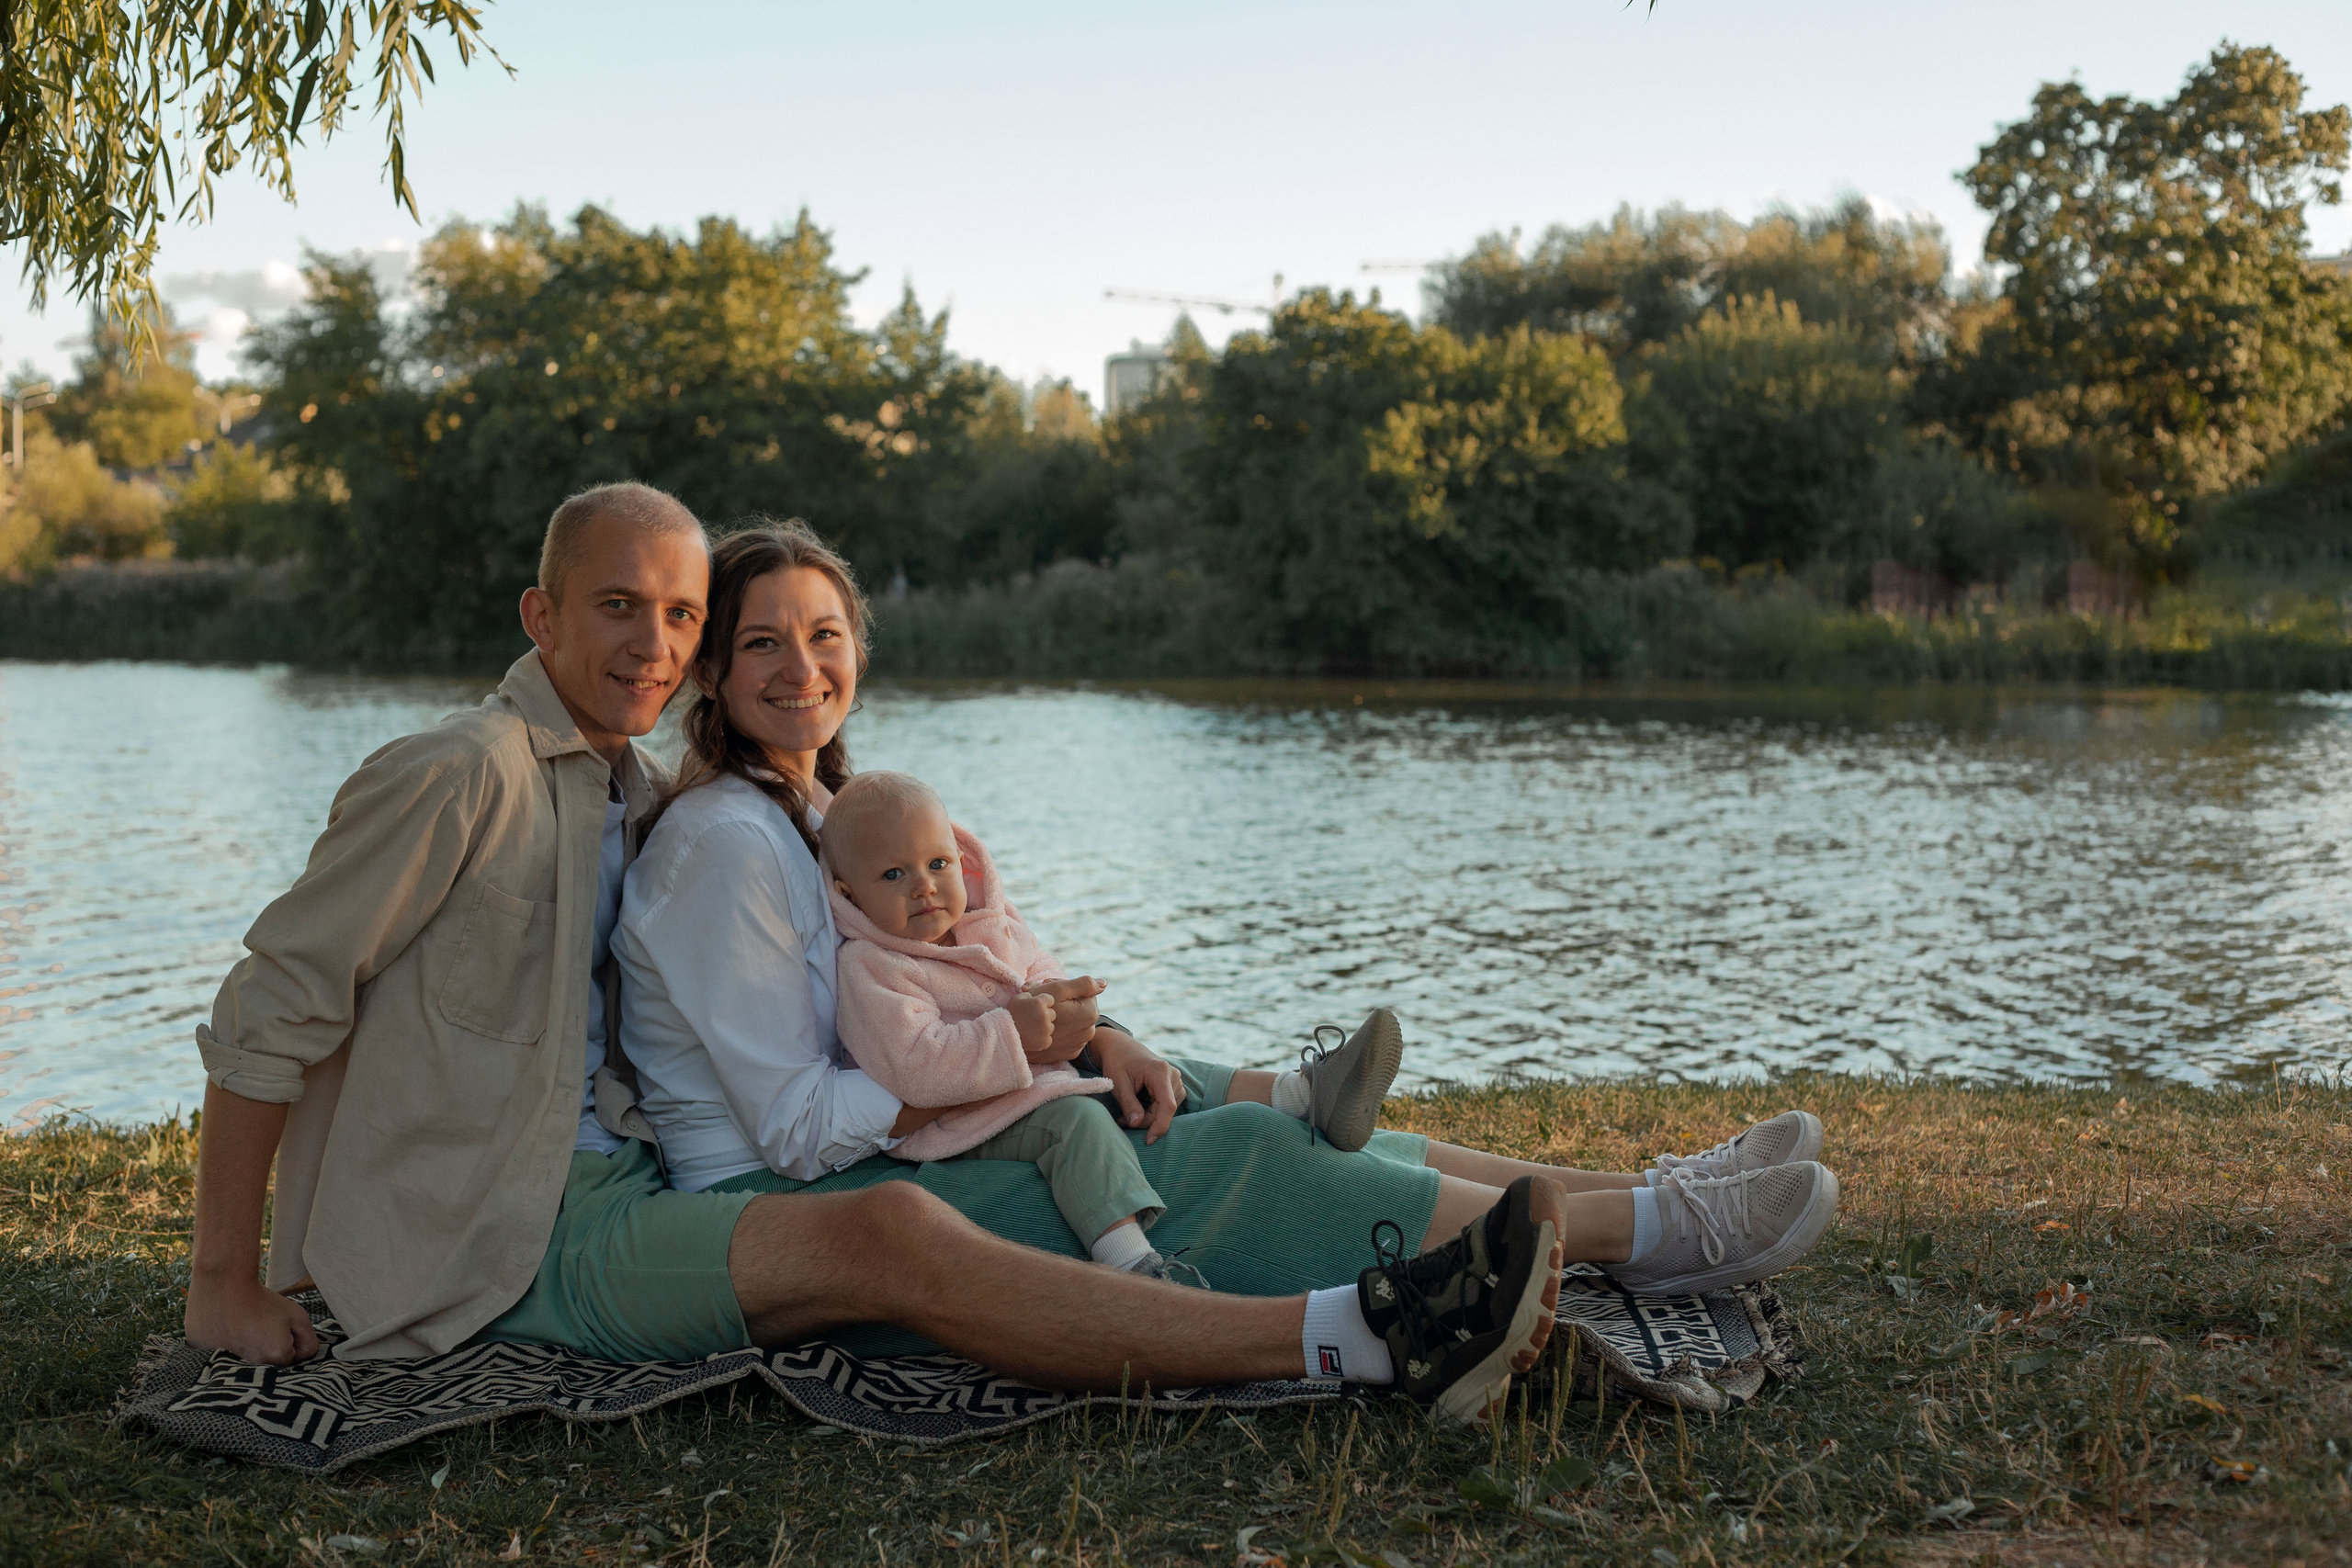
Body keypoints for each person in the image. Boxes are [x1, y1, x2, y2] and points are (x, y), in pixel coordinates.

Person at [179, 481, 1566, 1426]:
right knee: (894, 1229)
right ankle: (1366, 1335)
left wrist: (1079, 1035)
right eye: (618, 608)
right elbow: (270, 1011)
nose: (652, 644)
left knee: (1137, 1102)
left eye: (676, 616)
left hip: (624, 1178)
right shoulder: (459, 773)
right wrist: (226, 1281)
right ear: (539, 617)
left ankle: (1572, 1220)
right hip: (510, 1247)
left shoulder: (633, 796)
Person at [611, 520, 1846, 1378]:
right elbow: (793, 1130)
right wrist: (1010, 1057)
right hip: (795, 1213)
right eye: (763, 641)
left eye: (825, 634)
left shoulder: (823, 813)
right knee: (1237, 1149)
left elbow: (953, 974)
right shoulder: (726, 843)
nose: (802, 665)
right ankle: (1650, 1234)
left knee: (1185, 1090)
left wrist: (1083, 1037)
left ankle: (1636, 1201)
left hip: (907, 1127)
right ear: (712, 670)